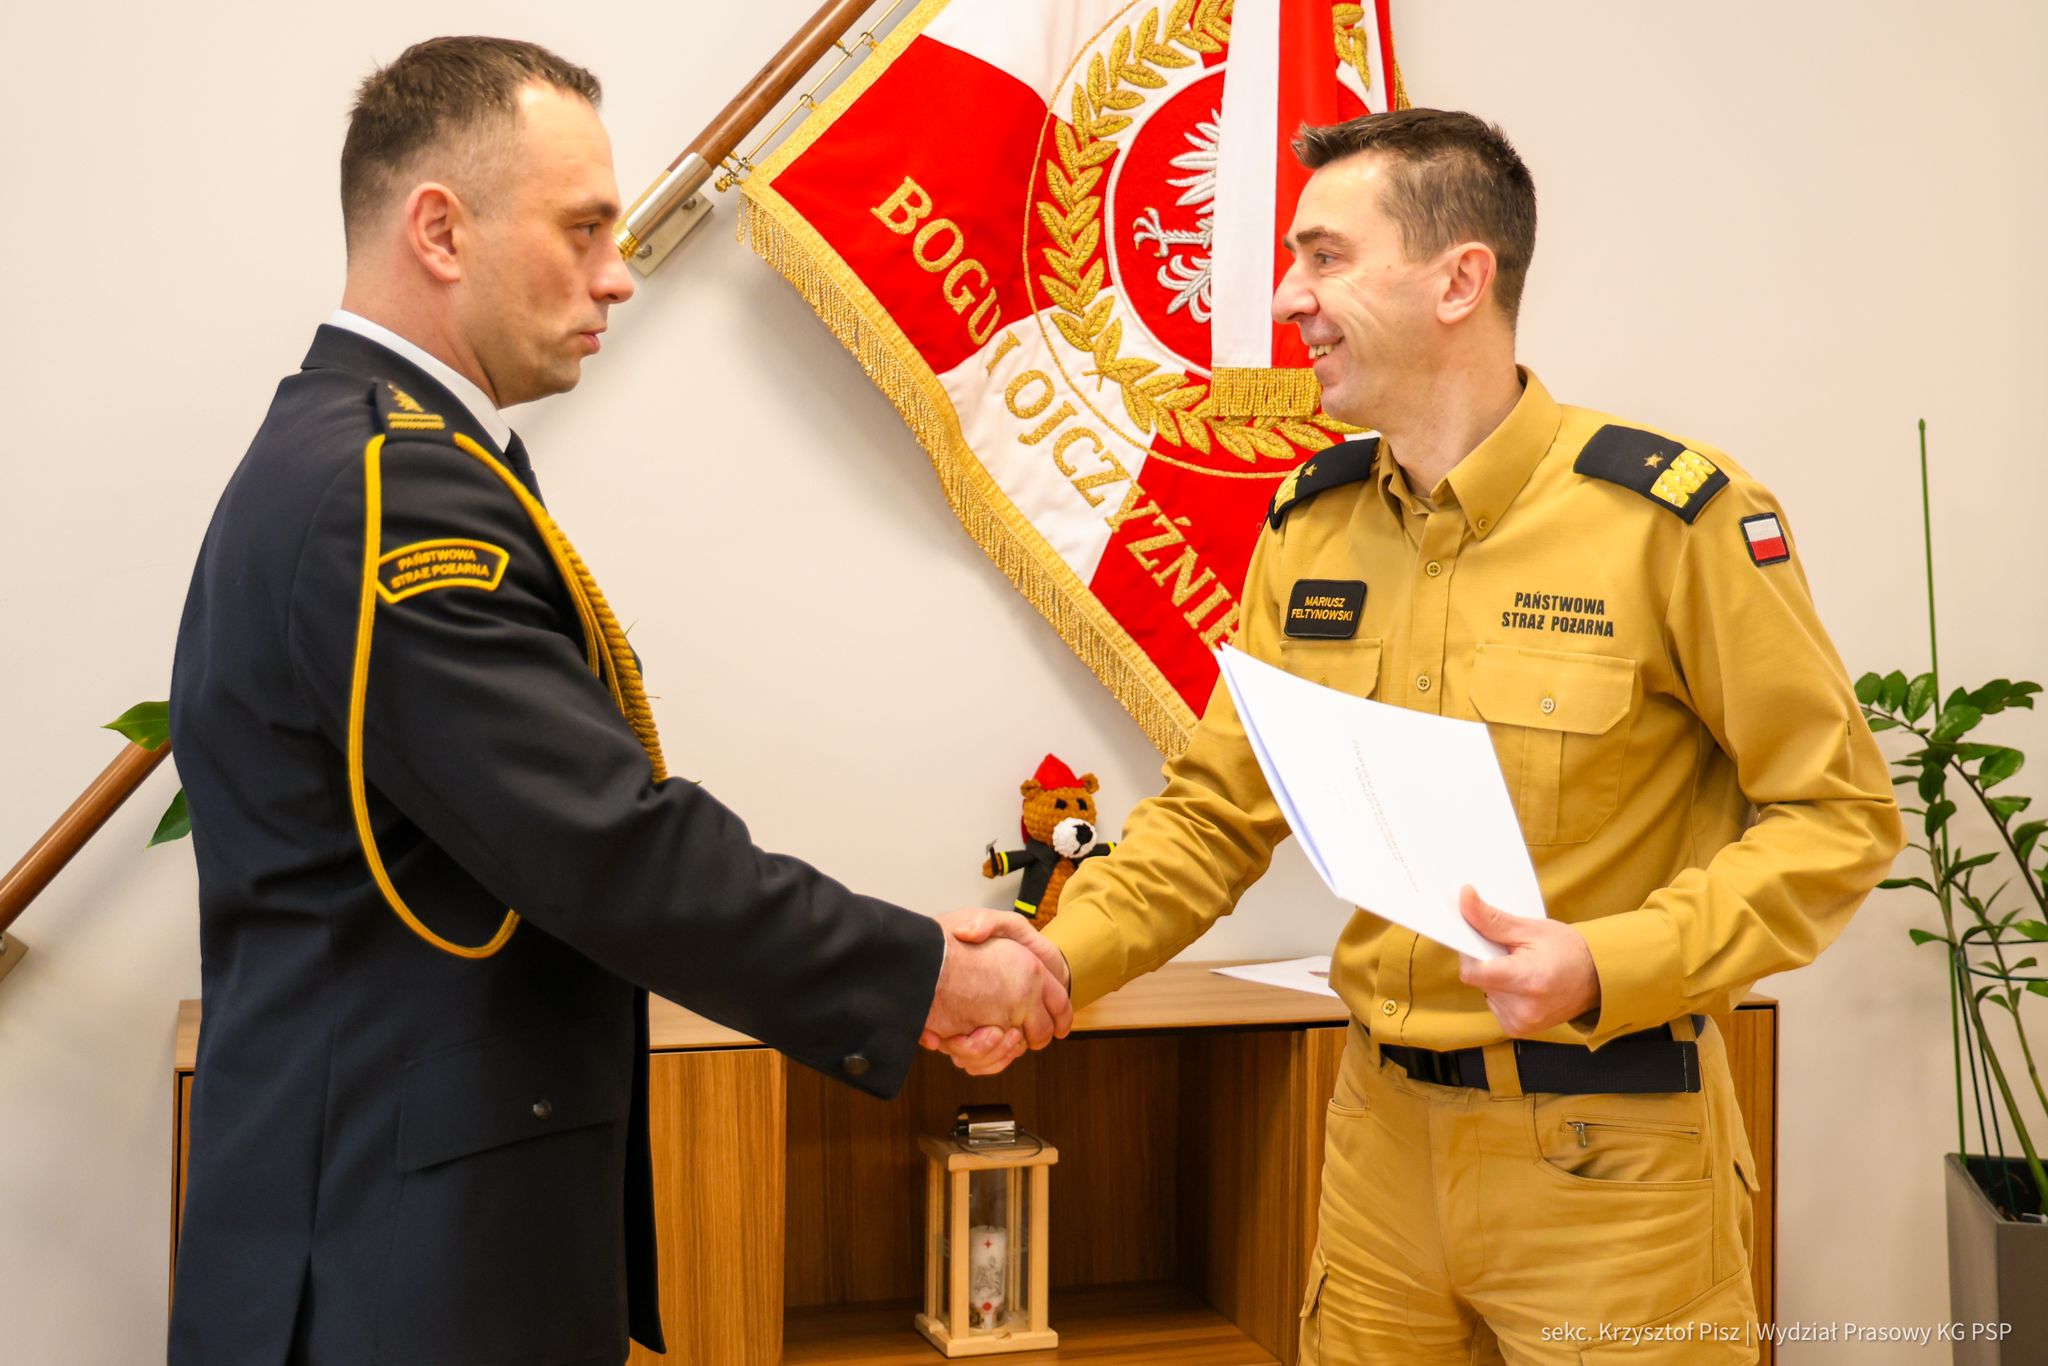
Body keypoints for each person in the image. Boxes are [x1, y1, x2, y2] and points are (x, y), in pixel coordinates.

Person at [935, 109, 1903, 1363]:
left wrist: (1608, 960)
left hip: (1607, 1161)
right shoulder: (1311, 522)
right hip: (1376, 1148)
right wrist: (1049, 964)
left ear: (1459, 280)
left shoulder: (1668, 518)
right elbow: (1215, 815)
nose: (1287, 297)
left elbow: (1835, 816)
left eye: (1325, 257)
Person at [167, 37, 1064, 1365]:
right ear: (439, 230)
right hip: (391, 1262)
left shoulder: (371, 456)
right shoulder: (388, 489)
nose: (617, 273)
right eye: (582, 228)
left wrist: (904, 948)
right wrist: (919, 970)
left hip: (389, 1221)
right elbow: (605, 845)